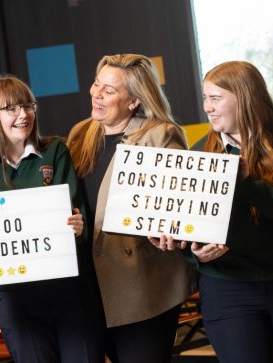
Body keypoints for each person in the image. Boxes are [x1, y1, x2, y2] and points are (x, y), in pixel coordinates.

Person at [153, 61, 273, 363]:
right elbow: (190, 228)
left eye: (216, 98)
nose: (207, 108)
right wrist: (192, 252)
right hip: (227, 289)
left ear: (245, 97)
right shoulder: (201, 154)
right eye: (205, 98)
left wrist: (247, 183)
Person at [0, 75, 105, 362]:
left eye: (28, 106)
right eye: (11, 109)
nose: (23, 115)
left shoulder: (55, 151)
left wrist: (78, 227)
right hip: (17, 300)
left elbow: (81, 219)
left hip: (69, 290)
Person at [66, 54, 197, 363]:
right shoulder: (80, 134)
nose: (96, 94)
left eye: (109, 90)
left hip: (142, 285)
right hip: (90, 283)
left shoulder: (162, 134)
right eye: (97, 84)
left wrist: (172, 228)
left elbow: (182, 207)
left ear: (134, 101)